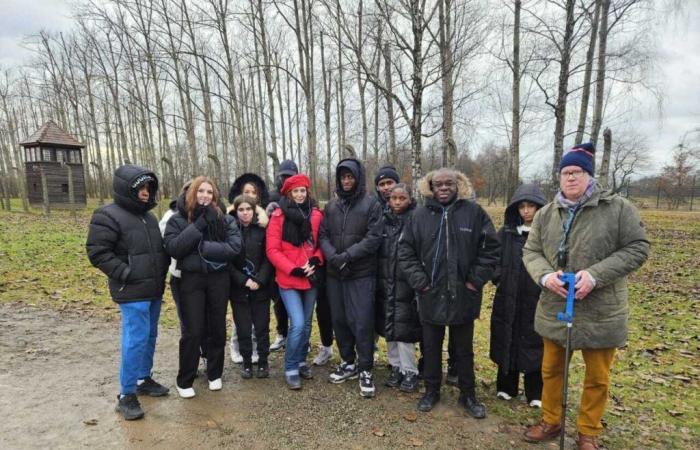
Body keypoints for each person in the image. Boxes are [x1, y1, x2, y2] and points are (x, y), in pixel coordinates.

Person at [522, 143, 650, 450]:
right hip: (555, 305)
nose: (570, 178)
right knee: (551, 370)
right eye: (565, 173)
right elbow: (532, 250)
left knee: (597, 377)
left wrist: (595, 275)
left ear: (589, 175)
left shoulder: (618, 209)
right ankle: (551, 420)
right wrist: (545, 275)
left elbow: (637, 248)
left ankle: (588, 431)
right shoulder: (546, 214)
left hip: (601, 310)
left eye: (576, 172)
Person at [399, 168, 499, 418]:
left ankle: (468, 394)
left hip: (464, 294)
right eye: (438, 184)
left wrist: (475, 281)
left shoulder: (474, 214)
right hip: (429, 294)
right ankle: (431, 390)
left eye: (449, 184)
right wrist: (420, 283)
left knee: (463, 349)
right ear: (430, 188)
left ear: (459, 185)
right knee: (431, 347)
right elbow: (405, 252)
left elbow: (491, 249)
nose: (443, 188)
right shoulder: (419, 216)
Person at [86, 164, 170, 420]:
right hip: (131, 290)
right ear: (127, 188)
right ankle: (126, 394)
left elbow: (158, 250)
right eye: (141, 188)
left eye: (149, 188)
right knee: (135, 339)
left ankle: (144, 378)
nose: (146, 193)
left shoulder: (150, 217)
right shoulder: (107, 215)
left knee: (150, 335)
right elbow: (97, 252)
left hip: (153, 288)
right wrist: (126, 273)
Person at [164, 176, 242, 398]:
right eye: (201, 191)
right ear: (192, 193)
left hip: (218, 279)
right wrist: (199, 225)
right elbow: (175, 248)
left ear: (215, 197)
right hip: (191, 280)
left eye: (210, 192)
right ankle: (185, 378)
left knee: (217, 327)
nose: (205, 196)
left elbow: (234, 247)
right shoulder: (177, 219)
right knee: (193, 330)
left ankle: (214, 373)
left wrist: (203, 247)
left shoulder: (225, 220)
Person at [320, 157, 383, 398]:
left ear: (357, 178)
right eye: (343, 177)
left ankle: (366, 368)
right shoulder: (332, 206)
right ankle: (348, 361)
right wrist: (333, 257)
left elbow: (374, 237)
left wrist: (347, 256)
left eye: (350, 176)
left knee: (362, 321)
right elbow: (323, 234)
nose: (346, 181)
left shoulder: (371, 204)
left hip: (361, 273)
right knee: (340, 319)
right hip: (336, 273)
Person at [489, 183, 546, 408]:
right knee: (507, 337)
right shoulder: (507, 232)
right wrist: (499, 276)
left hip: (536, 298)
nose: (526, 211)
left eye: (531, 206)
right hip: (508, 297)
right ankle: (506, 386)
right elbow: (491, 255)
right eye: (522, 206)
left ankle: (536, 391)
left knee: (535, 341)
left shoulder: (545, 234)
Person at [266, 174, 324, 389]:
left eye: (303, 190)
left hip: (310, 277)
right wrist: (293, 269)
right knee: (297, 324)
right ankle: (290, 367)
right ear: (289, 193)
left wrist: (317, 259)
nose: (300, 194)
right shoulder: (278, 216)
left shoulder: (316, 215)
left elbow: (320, 242)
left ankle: (300, 361)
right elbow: (272, 250)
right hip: (288, 278)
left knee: (307, 324)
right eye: (295, 191)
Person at [378, 184, 422, 393]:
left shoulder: (415, 220)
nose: (396, 202)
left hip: (407, 284)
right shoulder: (384, 221)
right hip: (387, 281)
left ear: (409, 199)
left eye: (401, 198)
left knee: (405, 331)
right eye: (393, 198)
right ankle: (395, 366)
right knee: (390, 329)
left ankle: (410, 370)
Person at [227, 173, 270, 364]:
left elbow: (268, 255)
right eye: (247, 192)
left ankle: (260, 356)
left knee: (259, 323)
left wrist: (260, 279)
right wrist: (243, 279)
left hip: (259, 282)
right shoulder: (230, 222)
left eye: (253, 192)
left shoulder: (263, 222)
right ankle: (239, 349)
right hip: (239, 282)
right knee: (241, 323)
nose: (250, 195)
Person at [266, 160, 299, 352]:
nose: (286, 179)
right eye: (283, 176)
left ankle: (299, 336)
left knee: (297, 303)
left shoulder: (300, 194)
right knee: (278, 300)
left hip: (295, 255)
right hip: (274, 255)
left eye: (290, 175)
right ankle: (282, 334)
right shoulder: (271, 196)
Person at [373, 165, 401, 343]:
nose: (386, 187)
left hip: (399, 274)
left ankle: (399, 361)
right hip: (376, 271)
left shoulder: (408, 210)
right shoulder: (373, 207)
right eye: (381, 184)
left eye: (389, 182)